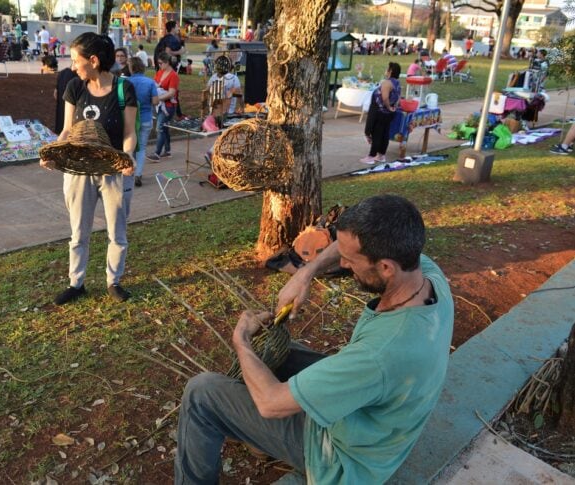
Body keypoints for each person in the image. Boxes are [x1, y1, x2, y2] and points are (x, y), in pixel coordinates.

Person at [174, 194, 454, 485]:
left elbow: (271, 403)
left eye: (350, 260)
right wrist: (305, 273)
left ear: (385, 267)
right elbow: (344, 244)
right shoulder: (425, 275)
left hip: (343, 459)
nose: (343, 263)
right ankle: (258, 441)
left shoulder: (381, 353)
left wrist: (241, 340)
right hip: (378, 423)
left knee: (201, 392)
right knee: (281, 353)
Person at [40, 32, 137, 306]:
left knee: (117, 232)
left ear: (93, 60)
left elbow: (130, 133)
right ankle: (76, 283)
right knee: (78, 232)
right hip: (78, 172)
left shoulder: (123, 89)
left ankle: (113, 281)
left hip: (112, 171)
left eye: (75, 60)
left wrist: (127, 159)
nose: (72, 66)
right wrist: (53, 154)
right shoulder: (75, 87)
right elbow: (67, 130)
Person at [127, 57, 159, 188]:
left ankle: (129, 172)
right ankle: (138, 174)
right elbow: (156, 101)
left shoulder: (126, 82)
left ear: (131, 68)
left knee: (130, 147)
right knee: (142, 148)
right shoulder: (150, 82)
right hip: (146, 118)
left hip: (130, 120)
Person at [361, 62, 401, 165]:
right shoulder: (397, 83)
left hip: (380, 112)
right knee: (384, 134)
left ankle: (371, 156)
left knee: (376, 134)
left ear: (390, 71)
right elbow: (397, 98)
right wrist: (393, 107)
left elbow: (385, 97)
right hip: (387, 113)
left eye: (387, 69)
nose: (385, 70)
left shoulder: (386, 83)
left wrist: (388, 106)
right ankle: (381, 155)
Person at [147, 52, 179, 161]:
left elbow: (171, 93)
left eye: (160, 63)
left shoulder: (173, 75)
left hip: (169, 106)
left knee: (160, 128)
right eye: (158, 63)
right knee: (164, 128)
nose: (159, 65)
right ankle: (168, 150)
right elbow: (154, 84)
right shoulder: (160, 72)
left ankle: (157, 153)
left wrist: (158, 98)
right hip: (160, 105)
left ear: (167, 62)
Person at [54, 67, 78, 133]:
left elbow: (55, 94)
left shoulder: (62, 73)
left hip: (61, 125)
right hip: (75, 130)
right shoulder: (81, 78)